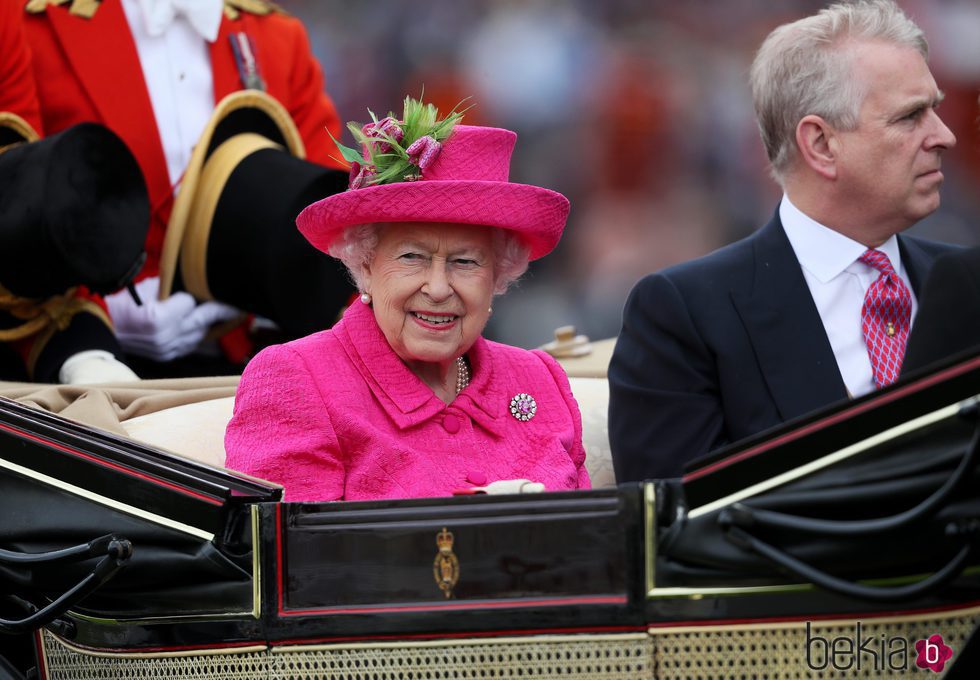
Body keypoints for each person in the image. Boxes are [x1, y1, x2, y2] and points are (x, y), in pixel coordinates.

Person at [608, 0, 958, 482]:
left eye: (934, 110)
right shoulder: (684, 314)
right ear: (820, 144)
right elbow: (677, 533)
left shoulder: (966, 285)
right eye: (910, 117)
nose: (944, 136)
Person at [225, 98, 590, 501]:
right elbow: (289, 555)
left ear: (498, 276)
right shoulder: (299, 379)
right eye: (412, 257)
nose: (437, 288)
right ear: (365, 264)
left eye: (465, 262)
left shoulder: (540, 379)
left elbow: (595, 546)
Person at [22, 0, 348, 373]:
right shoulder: (33, 25)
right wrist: (96, 320)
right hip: (83, 360)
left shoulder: (277, 36)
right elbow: (17, 205)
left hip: (253, 363)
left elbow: (330, 221)